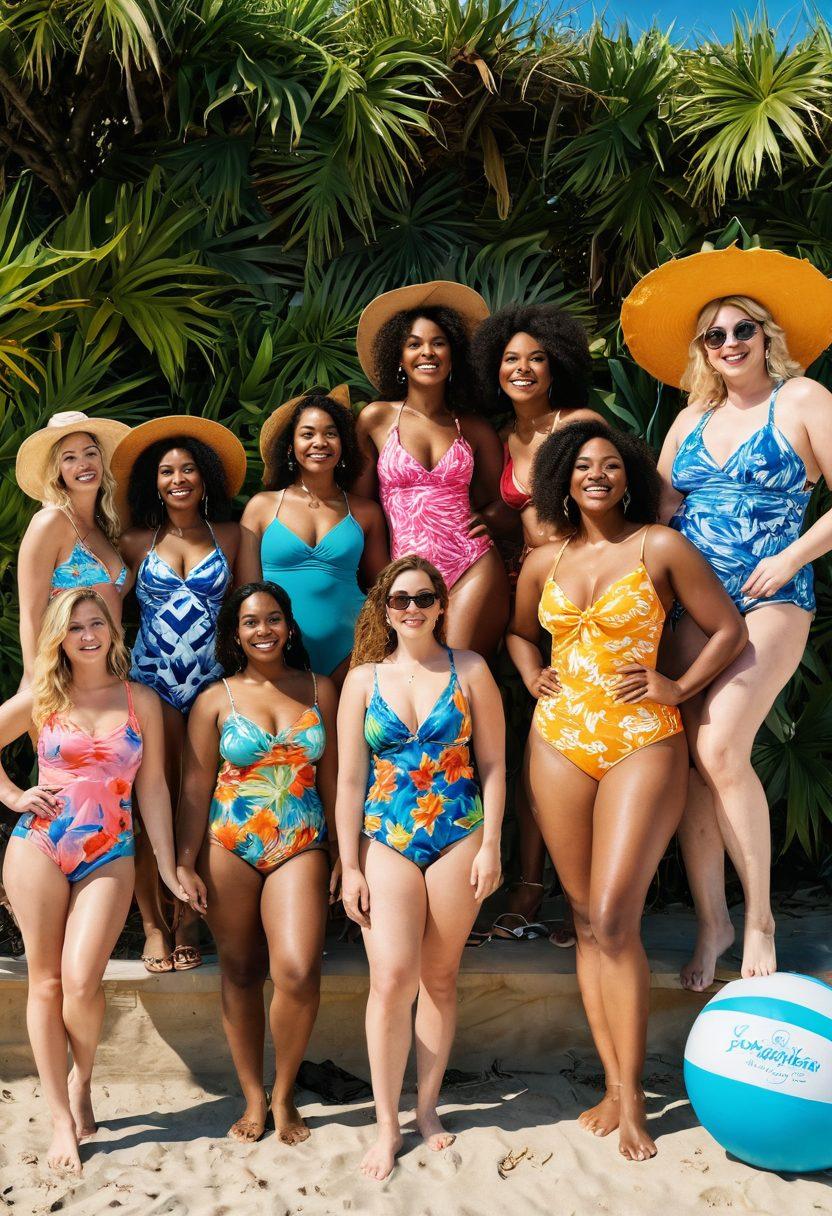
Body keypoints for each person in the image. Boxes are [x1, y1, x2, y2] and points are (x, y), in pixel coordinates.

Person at [507, 421, 746, 1160]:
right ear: (562, 478)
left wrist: (679, 685)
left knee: (614, 917)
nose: (597, 475)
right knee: (583, 919)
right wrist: (530, 674)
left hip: (642, 738)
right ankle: (613, 1085)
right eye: (583, 466)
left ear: (630, 477)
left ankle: (635, 1096)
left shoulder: (660, 546)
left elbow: (728, 629)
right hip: (558, 740)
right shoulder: (542, 559)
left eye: (611, 465)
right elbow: (517, 633)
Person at [622, 245, 832, 990]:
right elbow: (659, 514)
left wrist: (793, 555)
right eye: (715, 335)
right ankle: (714, 922)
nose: (731, 342)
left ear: (767, 335)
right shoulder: (691, 418)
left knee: (720, 746)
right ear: (702, 350)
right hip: (694, 603)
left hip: (772, 593)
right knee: (691, 763)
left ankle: (762, 918)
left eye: (744, 328)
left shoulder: (802, 399)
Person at [0, 588, 204, 1176]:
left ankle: (82, 1078)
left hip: (110, 850)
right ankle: (61, 1119)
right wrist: (13, 795)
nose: (87, 635)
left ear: (114, 631)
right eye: (75, 627)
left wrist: (166, 866)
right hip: (39, 844)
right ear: (59, 637)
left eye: (97, 624)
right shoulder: (43, 695)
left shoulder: (140, 699)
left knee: (82, 980)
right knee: (45, 984)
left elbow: (154, 788)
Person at [336, 555, 505, 1180]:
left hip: (459, 832)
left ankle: (427, 1108)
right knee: (390, 979)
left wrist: (491, 845)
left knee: (439, 976)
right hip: (387, 836)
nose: (412, 608)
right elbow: (348, 779)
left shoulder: (471, 668)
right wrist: (349, 866)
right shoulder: (362, 679)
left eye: (424, 597)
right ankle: (387, 1124)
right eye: (400, 598)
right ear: (385, 609)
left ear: (440, 605)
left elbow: (494, 764)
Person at [177, 582, 339, 1144]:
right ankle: (252, 1095)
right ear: (235, 633)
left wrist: (345, 855)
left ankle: (284, 1093)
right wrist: (183, 863)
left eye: (273, 618)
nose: (263, 630)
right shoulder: (214, 699)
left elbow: (336, 778)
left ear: (289, 626)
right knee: (241, 970)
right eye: (250, 622)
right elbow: (194, 789)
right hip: (228, 844)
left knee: (296, 970)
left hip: (301, 841)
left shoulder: (320, 689)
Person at [471, 303, 604, 927]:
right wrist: (490, 523)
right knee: (528, 738)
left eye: (536, 358)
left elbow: (613, 495)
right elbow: (514, 512)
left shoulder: (578, 424)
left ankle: (584, 895)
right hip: (524, 591)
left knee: (581, 738)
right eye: (510, 359)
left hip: (584, 593)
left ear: (557, 366)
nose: (522, 369)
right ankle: (528, 883)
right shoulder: (501, 436)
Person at [113, 417, 245, 973]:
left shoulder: (233, 535)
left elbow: (251, 609)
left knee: (204, 805)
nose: (178, 479)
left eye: (188, 468)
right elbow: (106, 608)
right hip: (151, 685)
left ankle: (189, 920)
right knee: (151, 809)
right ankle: (152, 926)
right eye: (167, 472)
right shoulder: (134, 542)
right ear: (154, 482)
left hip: (212, 688)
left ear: (205, 476)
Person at [354, 282, 509, 657]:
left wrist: (489, 519)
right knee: (414, 675)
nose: (427, 352)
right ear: (399, 358)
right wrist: (381, 577)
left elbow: (501, 502)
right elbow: (360, 508)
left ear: (453, 357)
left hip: (470, 562)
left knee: (452, 673)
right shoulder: (376, 419)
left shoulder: (472, 428)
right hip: (405, 574)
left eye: (438, 343)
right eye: (414, 344)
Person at [237, 386, 388, 685]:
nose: (320, 442)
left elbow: (383, 589)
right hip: (276, 651)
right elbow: (246, 593)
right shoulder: (261, 507)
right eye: (307, 434)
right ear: (290, 446)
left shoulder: (365, 512)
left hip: (353, 651)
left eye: (330, 433)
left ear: (343, 444)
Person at [15, 411, 131, 684]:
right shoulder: (50, 522)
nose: (83, 464)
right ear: (57, 469)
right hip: (60, 677)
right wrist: (36, 681)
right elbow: (31, 615)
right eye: (70, 458)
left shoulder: (106, 527)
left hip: (109, 677)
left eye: (90, 453)